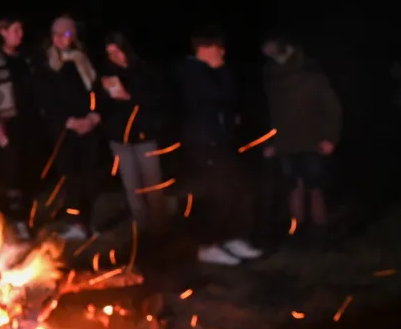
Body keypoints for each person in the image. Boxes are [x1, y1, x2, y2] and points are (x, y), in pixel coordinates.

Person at [176, 26, 263, 265]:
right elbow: (220, 96)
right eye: (217, 47)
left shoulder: (210, 71)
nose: (222, 52)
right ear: (203, 49)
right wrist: (220, 72)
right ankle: (208, 245)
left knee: (237, 190)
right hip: (203, 143)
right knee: (215, 195)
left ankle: (232, 237)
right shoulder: (190, 71)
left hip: (221, 141)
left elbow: (229, 99)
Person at [261, 36, 342, 235]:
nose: (269, 54)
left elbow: (332, 109)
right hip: (285, 144)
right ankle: (297, 230)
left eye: (272, 49)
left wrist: (330, 137)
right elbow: (272, 114)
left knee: (315, 186)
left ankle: (320, 229)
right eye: (266, 51)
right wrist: (271, 142)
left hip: (313, 141)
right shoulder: (272, 78)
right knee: (293, 187)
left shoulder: (312, 75)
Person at [34, 16, 101, 242]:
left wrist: (93, 116)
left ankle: (88, 221)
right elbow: (46, 99)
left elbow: (96, 90)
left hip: (89, 127)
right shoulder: (48, 64)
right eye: (57, 33)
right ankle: (74, 222)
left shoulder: (84, 59)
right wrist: (69, 121)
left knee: (89, 176)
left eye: (67, 33)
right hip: (64, 129)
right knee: (70, 176)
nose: (62, 38)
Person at [0, 17, 43, 237]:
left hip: (29, 122)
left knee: (28, 170)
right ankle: (16, 220)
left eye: (21, 29)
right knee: (12, 172)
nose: (20, 34)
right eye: (16, 29)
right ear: (3, 32)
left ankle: (26, 215)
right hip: (7, 123)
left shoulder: (25, 58)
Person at [101, 32, 172, 233]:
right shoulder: (107, 73)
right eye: (110, 54)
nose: (115, 57)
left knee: (153, 186)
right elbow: (102, 106)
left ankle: (162, 230)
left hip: (144, 136)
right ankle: (143, 230)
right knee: (132, 187)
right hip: (120, 140)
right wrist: (105, 94)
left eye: (117, 52)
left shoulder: (146, 71)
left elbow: (158, 100)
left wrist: (129, 96)